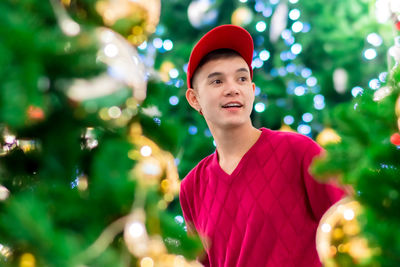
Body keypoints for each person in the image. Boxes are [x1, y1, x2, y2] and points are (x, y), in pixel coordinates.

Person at [179, 24, 345, 267]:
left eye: (242, 78)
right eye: (217, 81)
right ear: (194, 99)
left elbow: (350, 229)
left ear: (252, 90)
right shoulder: (191, 188)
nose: (233, 89)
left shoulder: (299, 152)